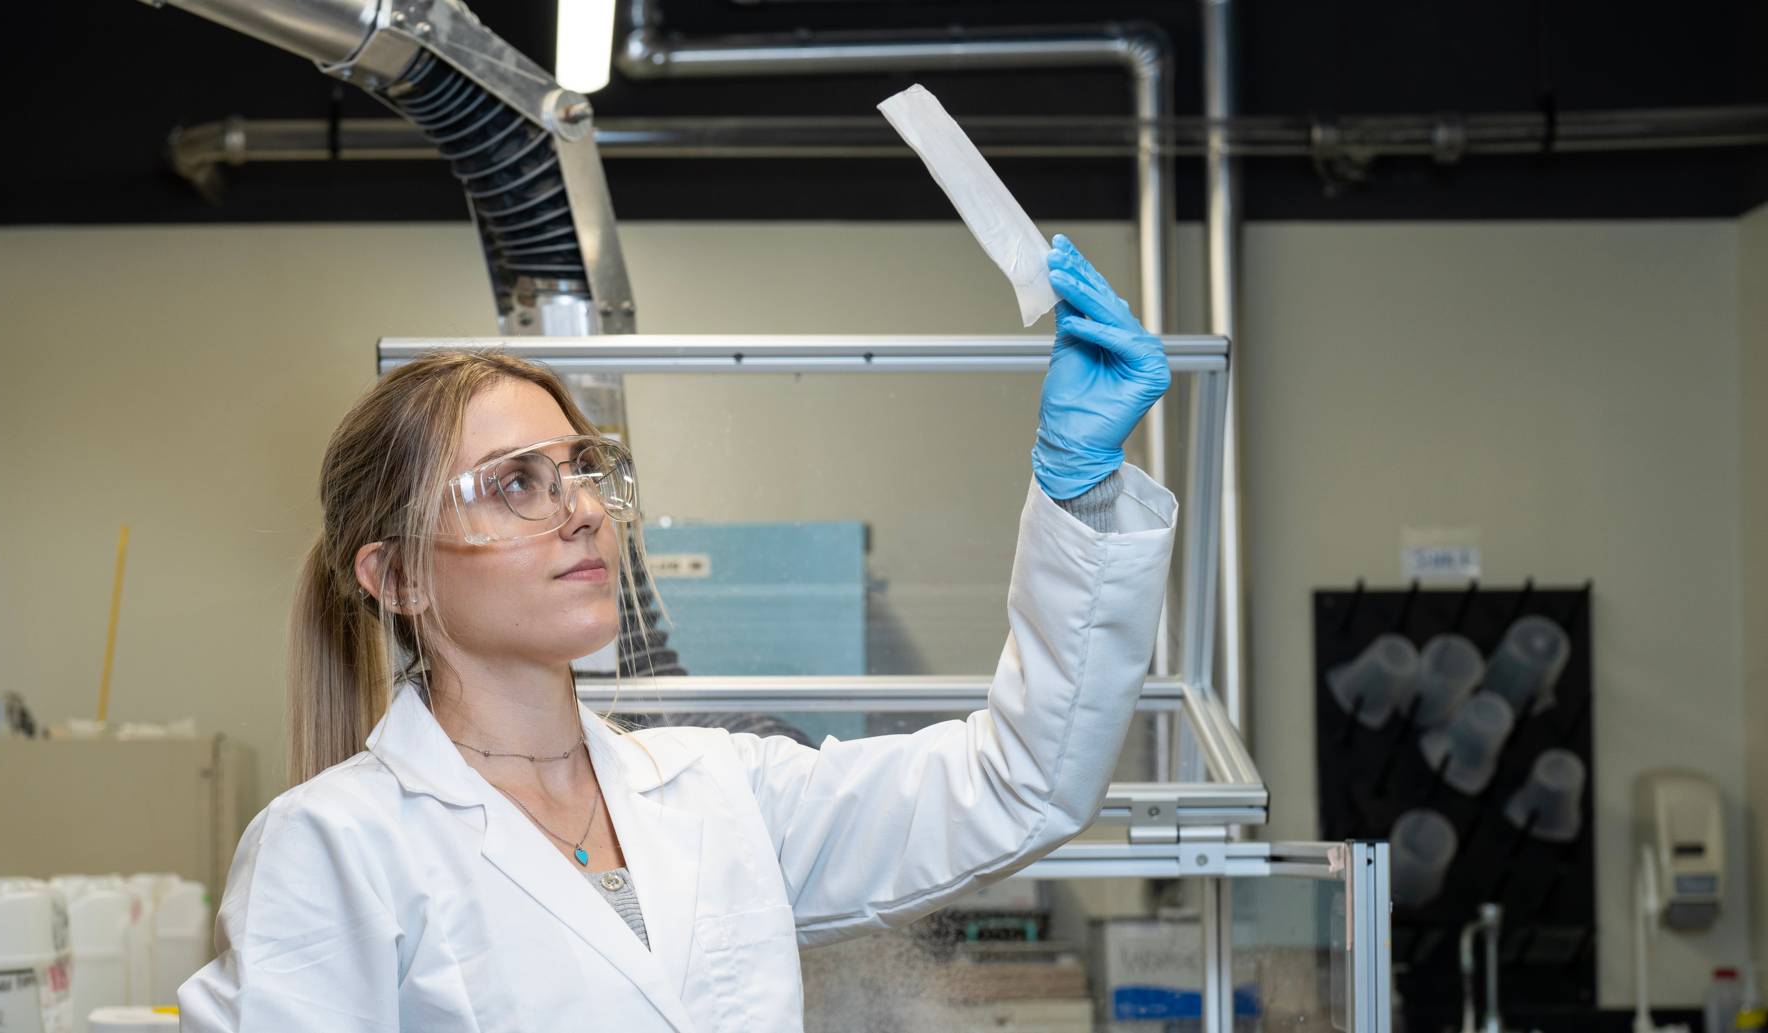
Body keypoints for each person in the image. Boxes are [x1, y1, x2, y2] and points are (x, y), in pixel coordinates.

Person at [180, 234, 1178, 1032]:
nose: (580, 510)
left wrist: (1077, 493)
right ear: (396, 574)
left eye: (581, 469)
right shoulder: (336, 847)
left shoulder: (717, 791)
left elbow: (1018, 786)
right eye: (517, 483)